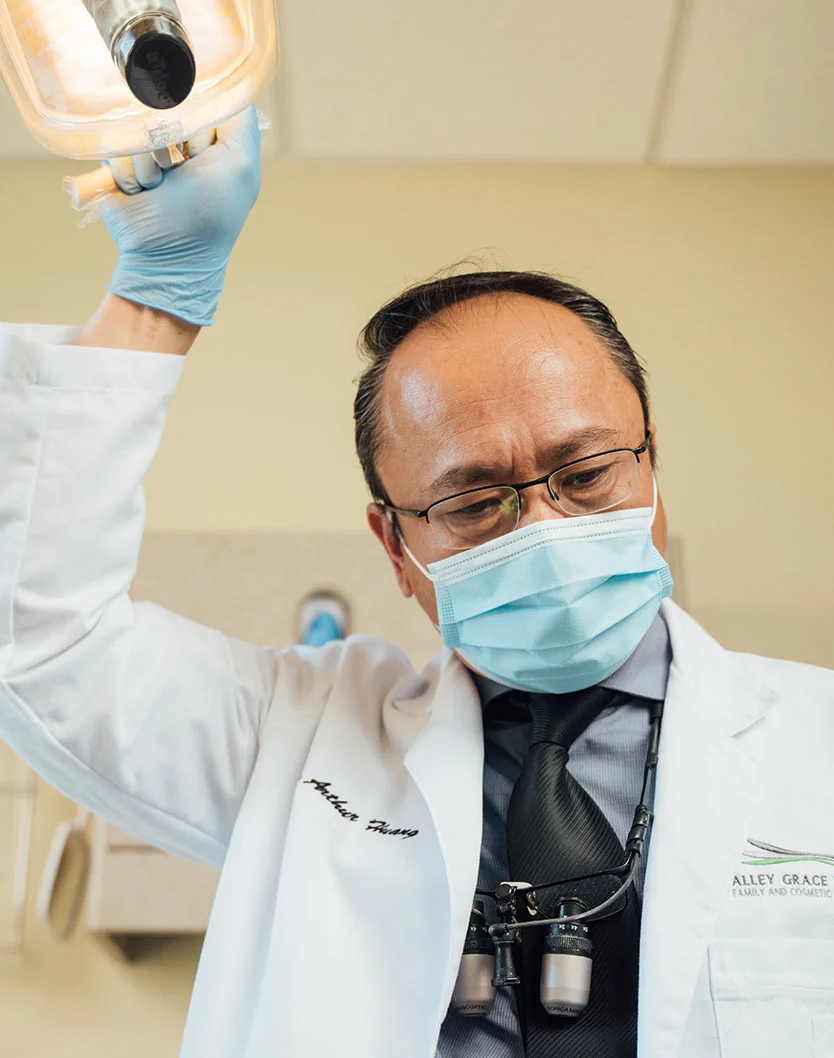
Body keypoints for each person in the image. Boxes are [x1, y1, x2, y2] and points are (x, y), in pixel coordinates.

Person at [0, 106, 832, 1058]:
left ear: (653, 473)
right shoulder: (299, 743)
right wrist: (157, 295)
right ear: (394, 547)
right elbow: (41, 641)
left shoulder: (820, 745)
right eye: (475, 499)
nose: (548, 527)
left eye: (588, 472)